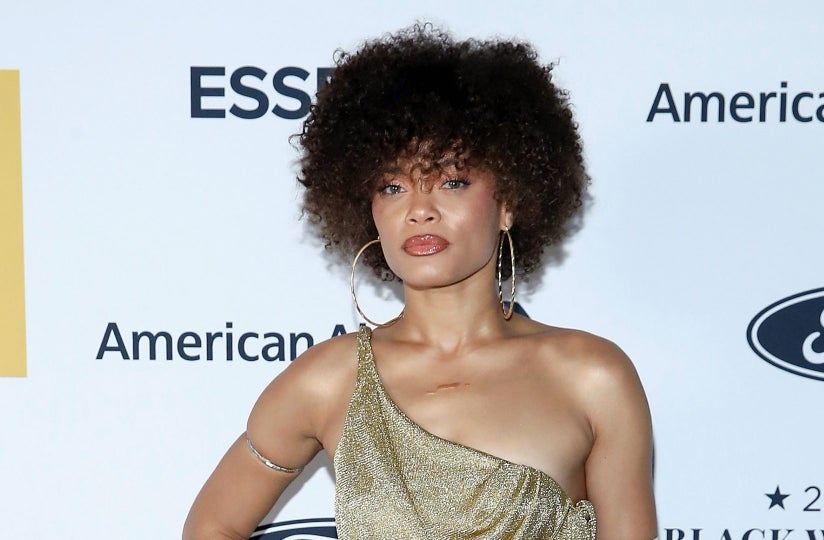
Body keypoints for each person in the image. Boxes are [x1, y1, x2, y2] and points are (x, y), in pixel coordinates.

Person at [183, 24, 656, 540]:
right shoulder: (329, 380)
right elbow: (213, 525)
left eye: (452, 182)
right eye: (393, 187)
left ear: (509, 203)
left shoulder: (592, 376)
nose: (420, 210)